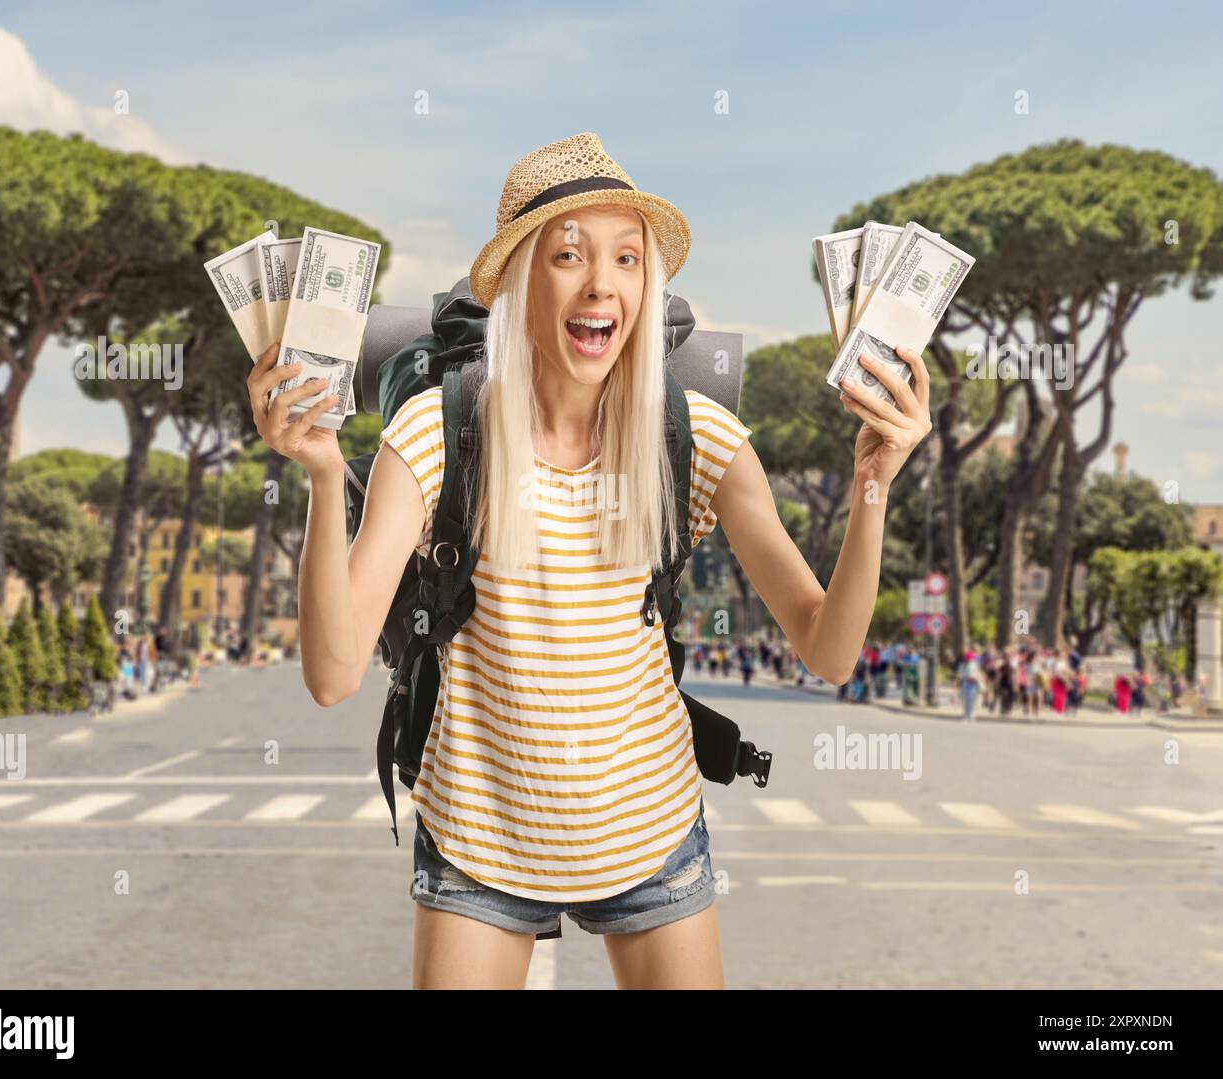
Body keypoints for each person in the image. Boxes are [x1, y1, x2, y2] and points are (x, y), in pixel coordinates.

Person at [255, 132, 932, 989]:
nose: (601, 283)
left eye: (626, 257)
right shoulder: (432, 433)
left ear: (647, 286)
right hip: (478, 844)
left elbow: (829, 651)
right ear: (517, 280)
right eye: (568, 254)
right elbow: (331, 673)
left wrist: (873, 482)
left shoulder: (700, 438)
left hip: (650, 835)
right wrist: (321, 473)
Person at [956, 645, 982, 720]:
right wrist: (958, 682)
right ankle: (966, 715)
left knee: (970, 700)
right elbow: (959, 675)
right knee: (967, 699)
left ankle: (969, 715)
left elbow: (977, 672)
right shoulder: (963, 665)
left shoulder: (973, 664)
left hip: (970, 683)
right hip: (967, 682)